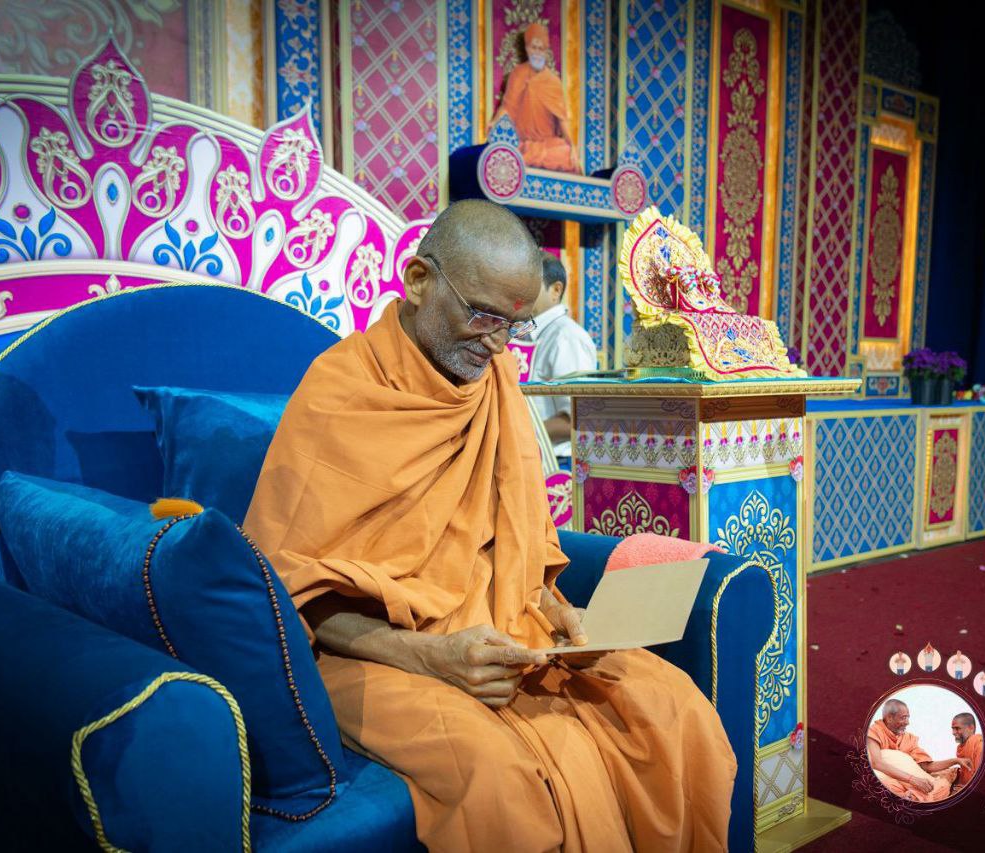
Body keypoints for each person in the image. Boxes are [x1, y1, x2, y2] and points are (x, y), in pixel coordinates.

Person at [244, 199, 735, 852]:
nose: (499, 344)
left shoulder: (495, 382)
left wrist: (560, 614)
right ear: (419, 280)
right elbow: (290, 592)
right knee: (501, 778)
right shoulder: (342, 391)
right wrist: (432, 657)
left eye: (514, 324)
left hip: (505, 635)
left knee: (672, 707)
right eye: (482, 315)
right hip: (369, 652)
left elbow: (516, 547)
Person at [526, 251, 598, 464]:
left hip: (557, 463)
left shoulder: (566, 337)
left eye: (530, 284)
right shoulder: (525, 333)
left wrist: (519, 435)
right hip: (530, 456)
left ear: (555, 290)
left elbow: (578, 417)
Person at [491, 23, 580, 172]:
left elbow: (562, 120)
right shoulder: (518, 74)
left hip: (548, 145)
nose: (537, 52)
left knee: (565, 153)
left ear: (546, 50)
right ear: (527, 48)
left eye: (541, 48)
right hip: (522, 144)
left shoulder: (554, 82)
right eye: (534, 47)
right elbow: (508, 108)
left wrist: (573, 147)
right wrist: (494, 123)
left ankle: (532, 158)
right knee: (508, 151)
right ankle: (525, 157)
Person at [866, 700, 962, 802]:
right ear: (889, 718)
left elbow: (926, 766)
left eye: (908, 717)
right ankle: (911, 797)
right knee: (882, 783)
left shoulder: (908, 738)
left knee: (941, 786)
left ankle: (913, 797)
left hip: (907, 785)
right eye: (903, 718)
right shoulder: (874, 731)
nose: (907, 722)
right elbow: (876, 763)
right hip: (889, 781)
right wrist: (912, 779)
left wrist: (955, 761)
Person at [950, 713, 982, 790]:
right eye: (953, 729)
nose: (953, 733)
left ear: (971, 728)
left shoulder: (979, 745)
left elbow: (981, 778)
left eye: (957, 728)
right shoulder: (961, 747)